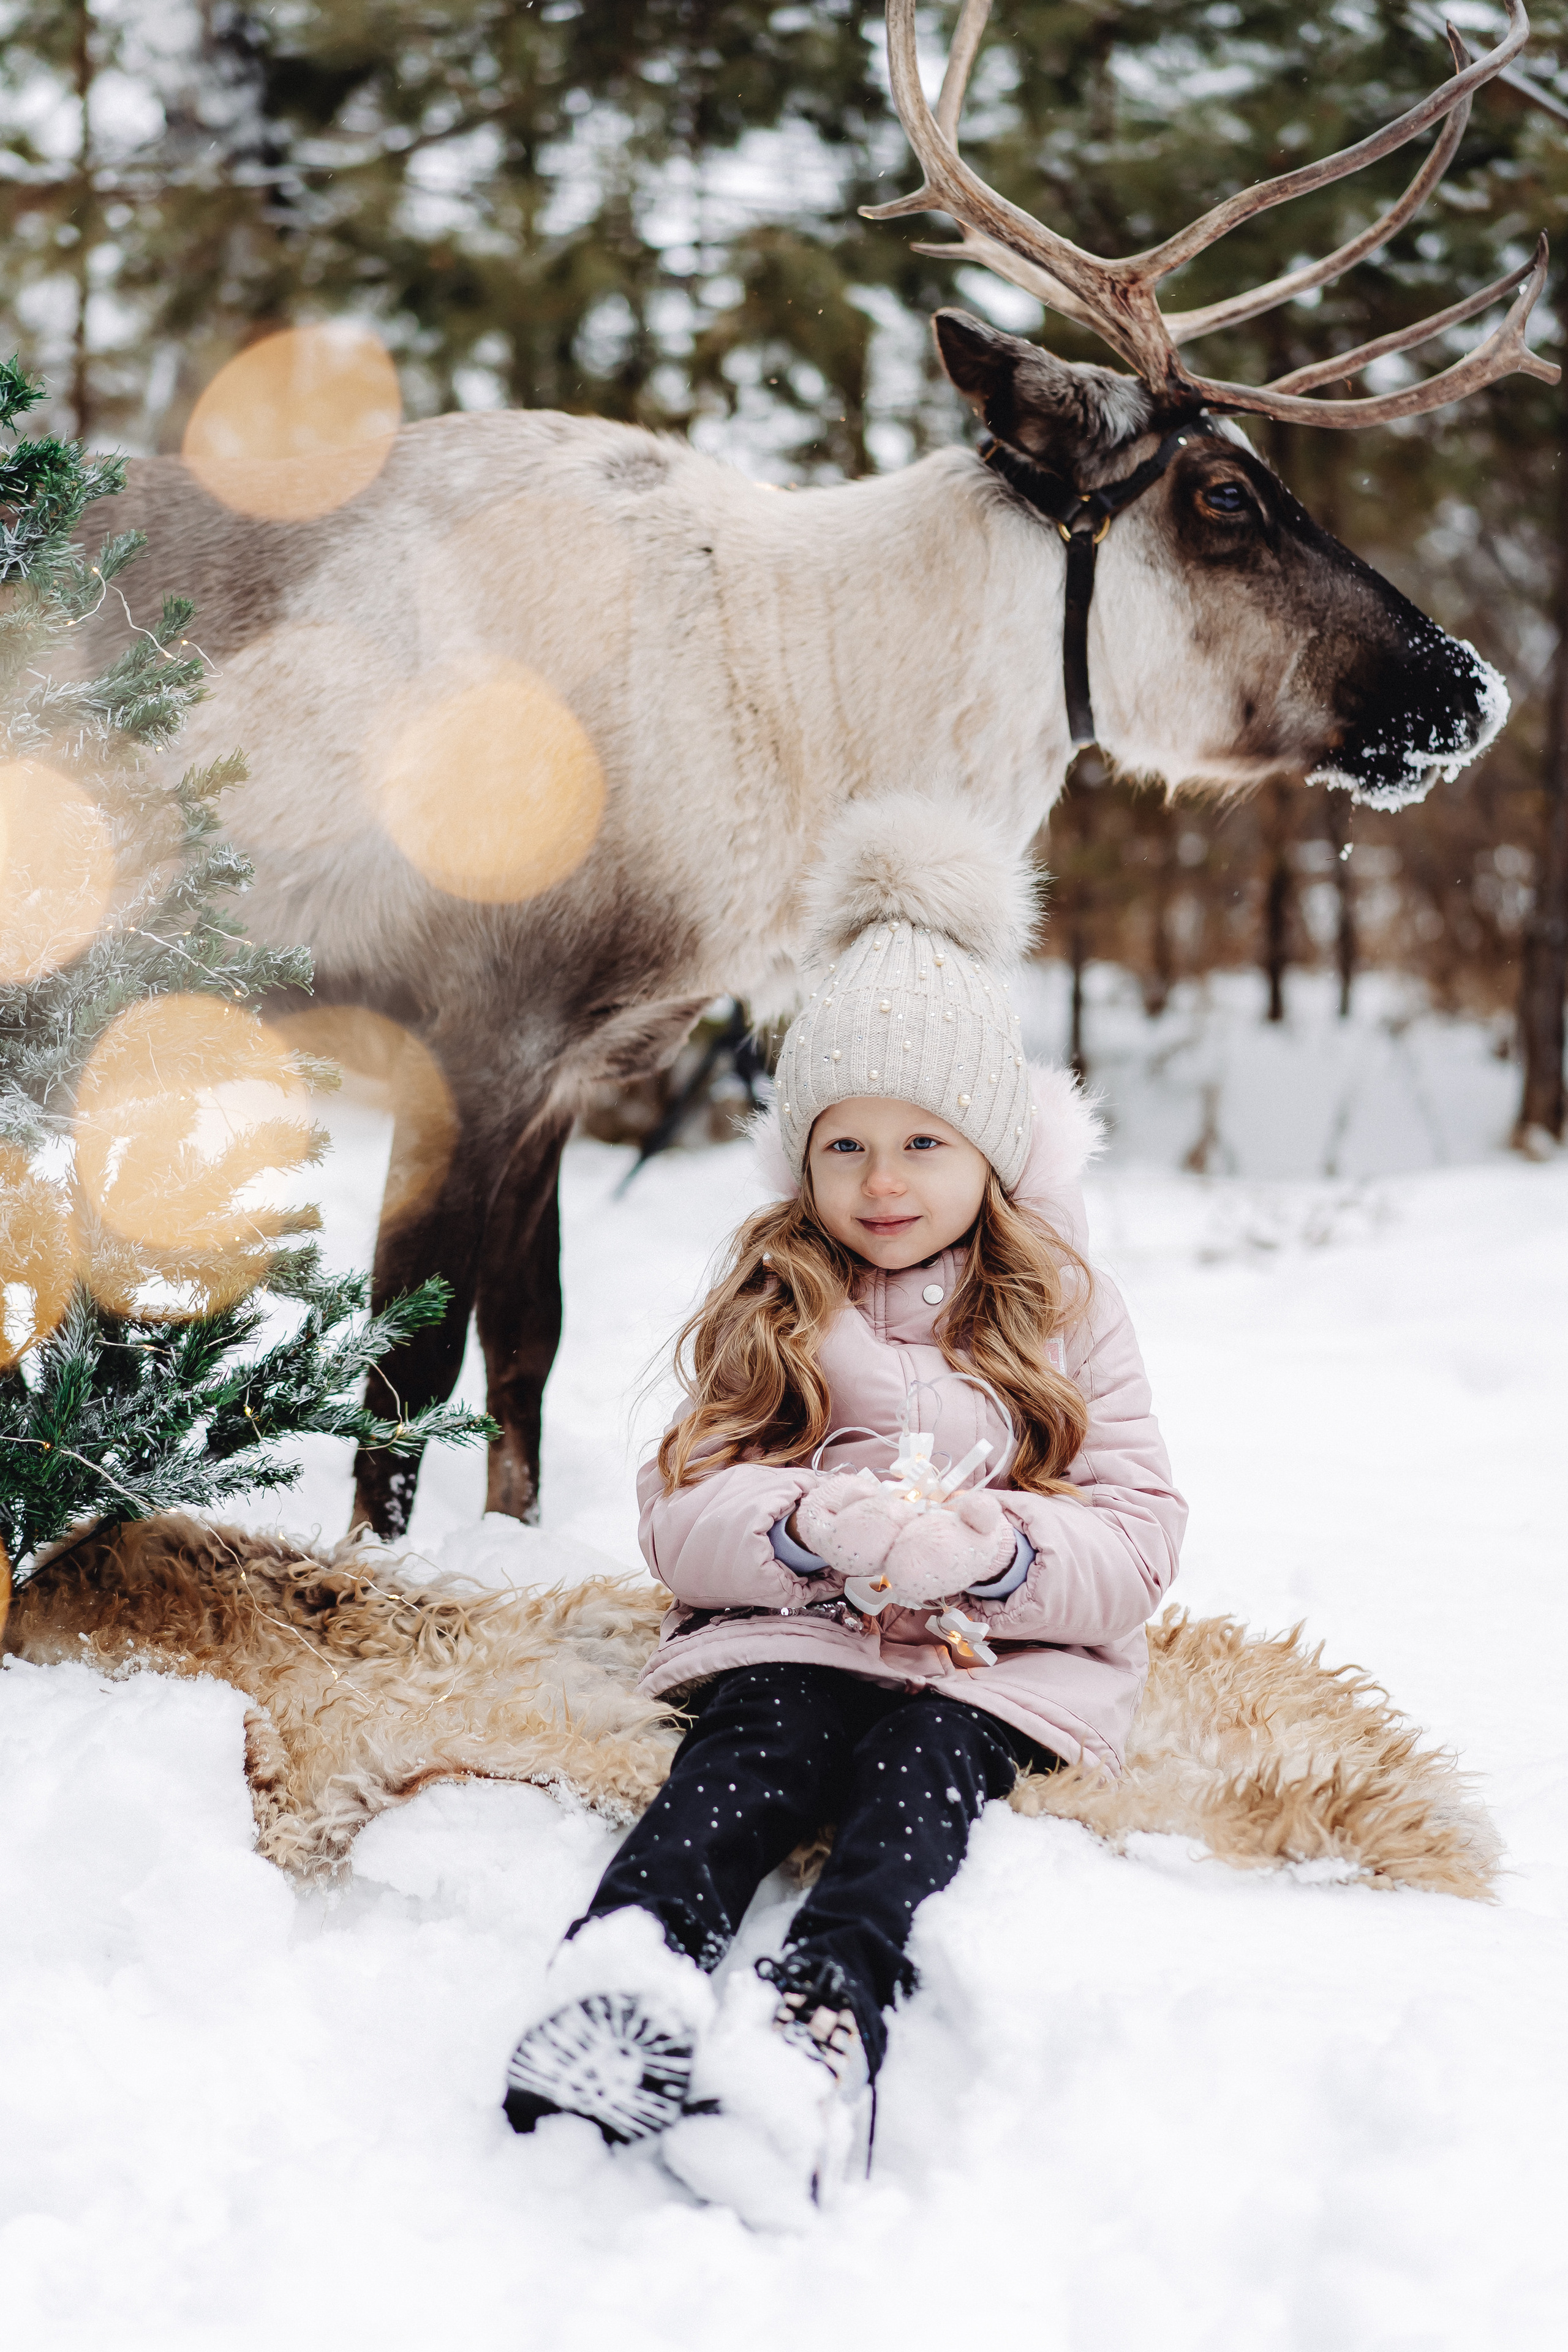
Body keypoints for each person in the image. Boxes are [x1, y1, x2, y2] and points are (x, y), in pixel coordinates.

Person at [501, 793, 1185, 2225]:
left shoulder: (1066, 1310)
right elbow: (681, 1506)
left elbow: (1132, 1536)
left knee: (910, 1793)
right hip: (800, 1633)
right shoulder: (774, 1298)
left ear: (992, 1152)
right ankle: (627, 1966)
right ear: (798, 1157)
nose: (881, 1184)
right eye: (842, 1145)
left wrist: (992, 1551)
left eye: (923, 1144)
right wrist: (808, 1528)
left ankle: (817, 2029)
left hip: (991, 1667)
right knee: (749, 1756)